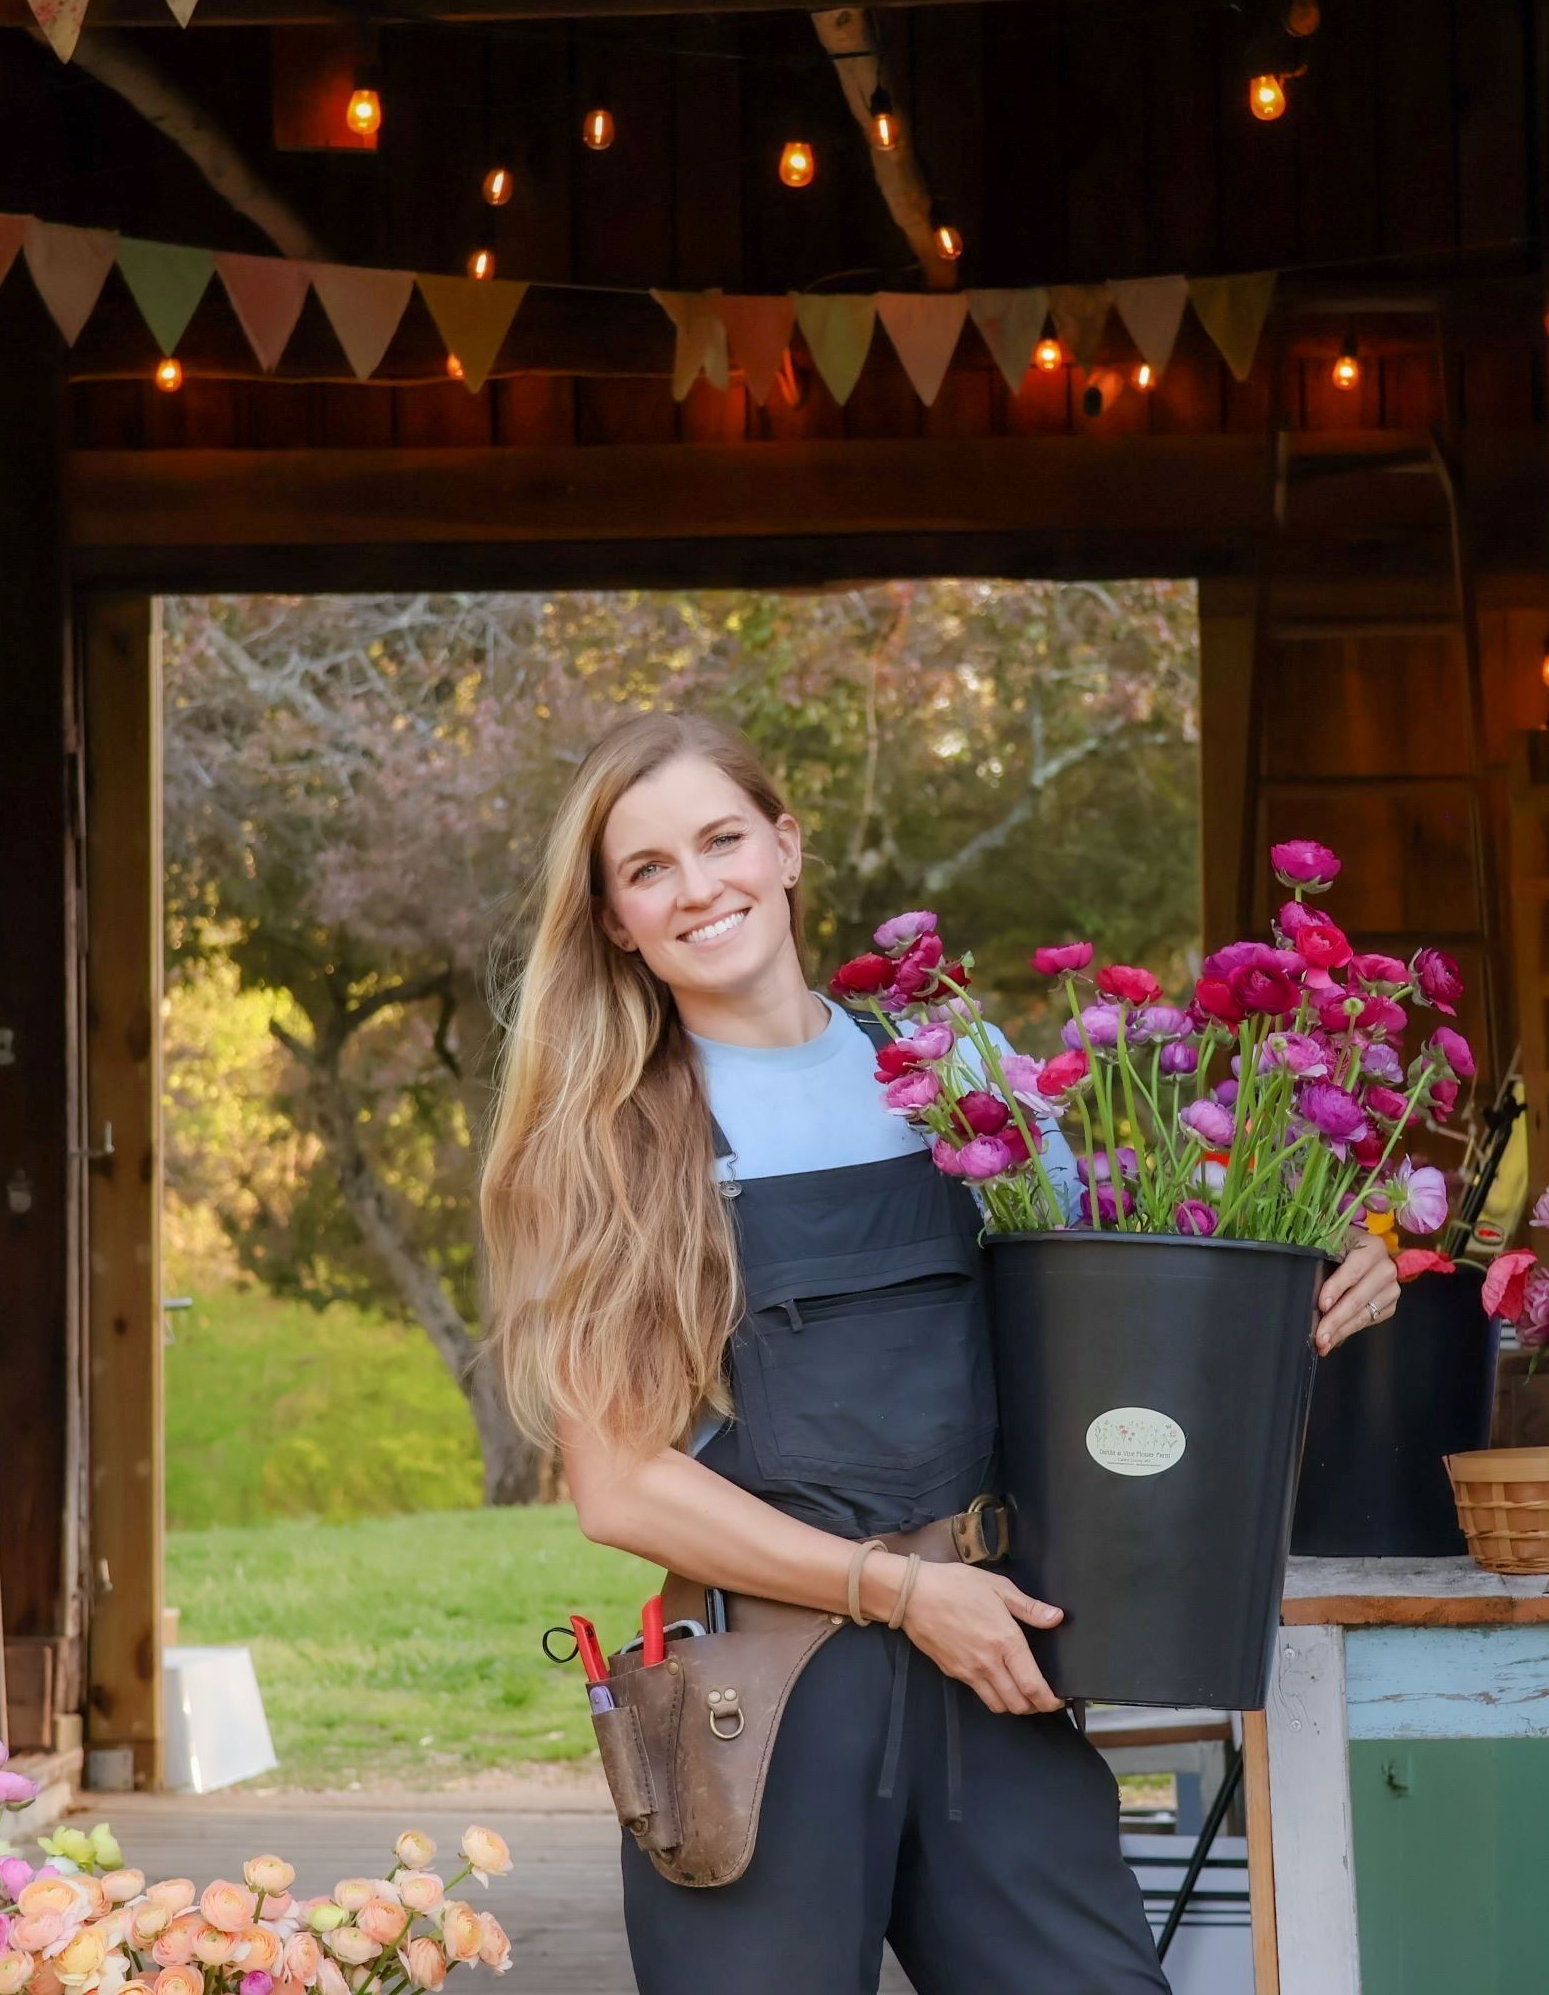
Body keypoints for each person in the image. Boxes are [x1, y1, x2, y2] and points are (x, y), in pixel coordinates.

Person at [479, 712, 1400, 1994]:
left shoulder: (960, 1075)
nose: (697, 888)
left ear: (785, 848)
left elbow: (1116, 1324)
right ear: (614, 919)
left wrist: (1318, 1267)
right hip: (763, 1698)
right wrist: (901, 1592)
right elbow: (620, 1483)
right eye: (647, 870)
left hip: (996, 1666)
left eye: (720, 838)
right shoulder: (605, 1143)